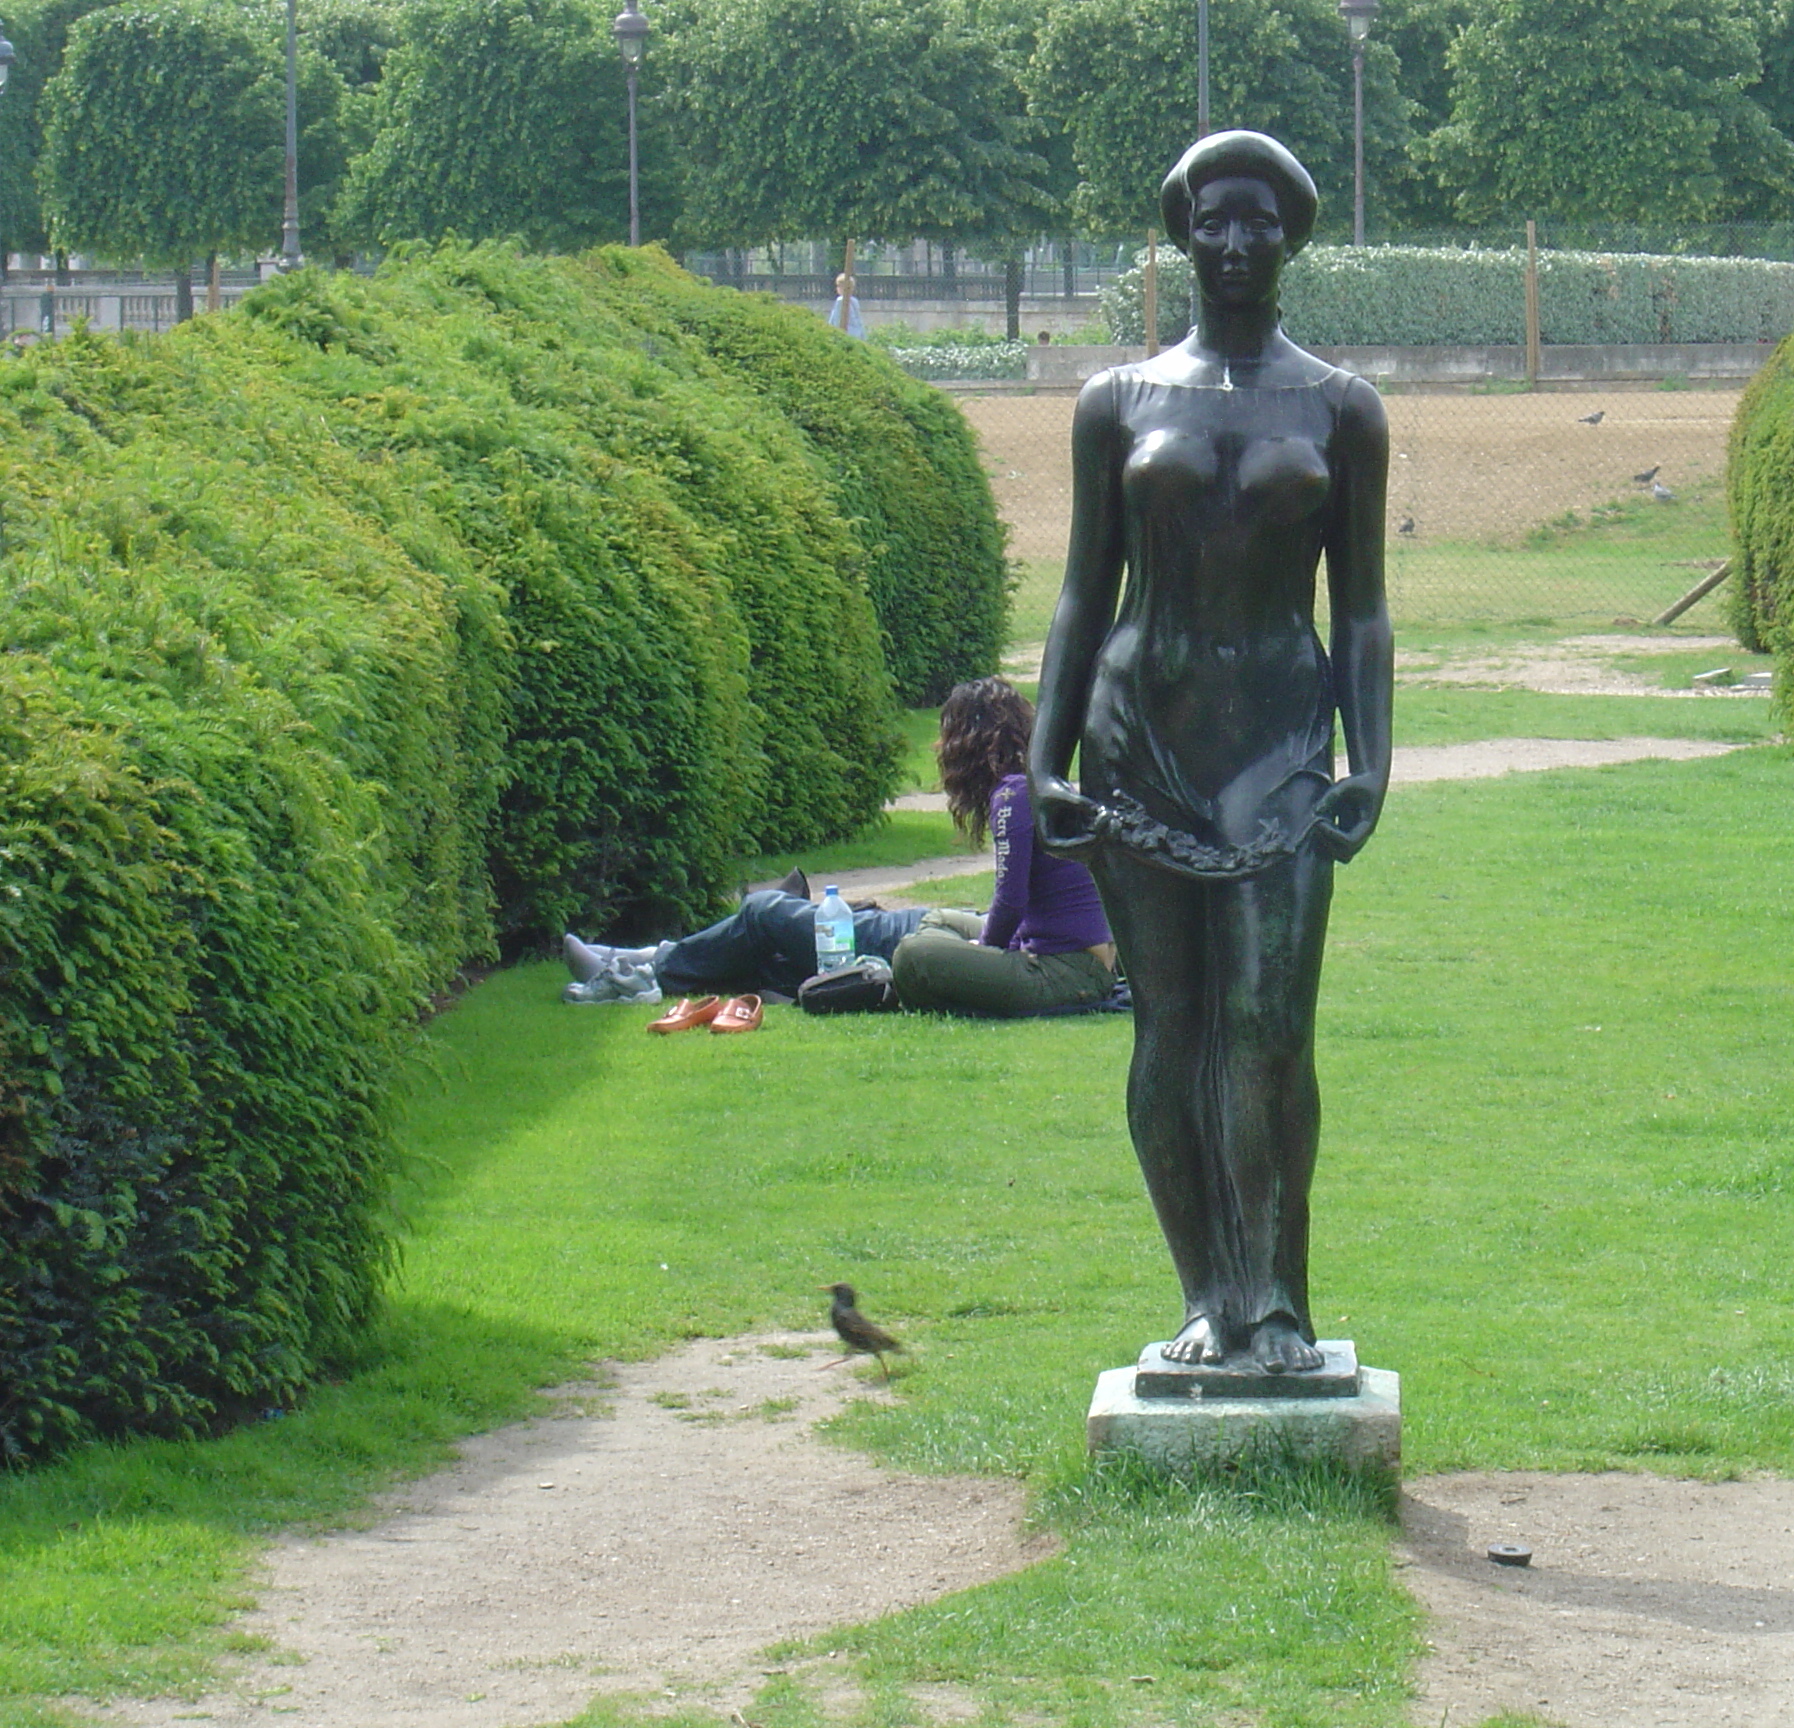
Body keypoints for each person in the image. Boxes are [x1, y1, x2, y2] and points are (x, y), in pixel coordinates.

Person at [1028, 131, 1392, 1375]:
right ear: (1183, 237)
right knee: (1170, 1033)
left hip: (1280, 748)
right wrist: (1045, 757)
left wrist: (1371, 759)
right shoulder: (1116, 403)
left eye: (1260, 223)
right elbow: (1083, 594)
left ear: (1291, 239)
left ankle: (1278, 1296)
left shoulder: (1342, 408)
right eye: (1213, 222)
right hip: (1142, 744)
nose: (1236, 244)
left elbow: (1364, 609)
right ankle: (1204, 1298)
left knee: (1270, 1029)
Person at [890, 677, 1119, 1017]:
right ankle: (962, 980)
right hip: (1070, 957)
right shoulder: (1032, 785)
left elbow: (1011, 901)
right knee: (939, 919)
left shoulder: (1012, 796)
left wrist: (986, 950)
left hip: (1067, 971)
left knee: (913, 954)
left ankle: (941, 987)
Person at [560, 869, 942, 1006]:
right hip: (921, 930)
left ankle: (646, 971)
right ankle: (642, 964)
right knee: (779, 960)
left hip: (918, 937)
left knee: (763, 912)